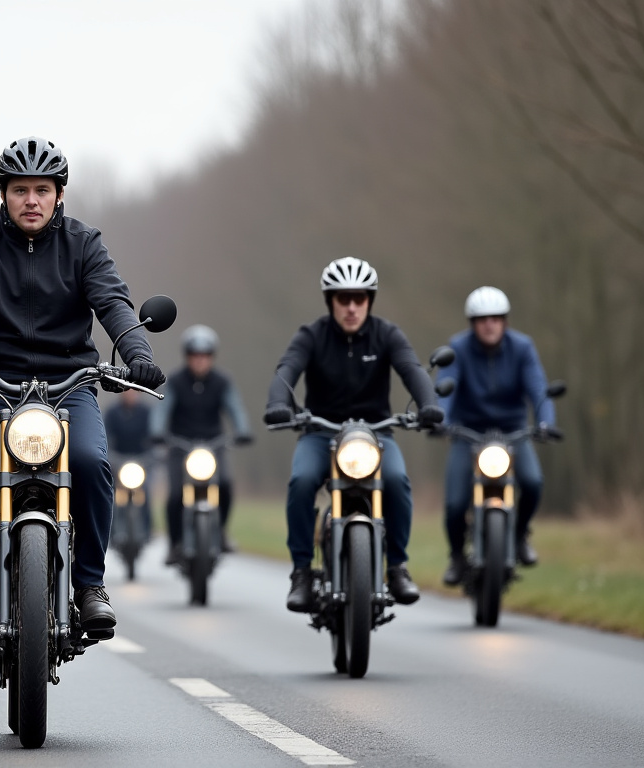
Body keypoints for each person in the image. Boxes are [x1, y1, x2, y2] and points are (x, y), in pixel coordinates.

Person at [0, 136, 166, 637]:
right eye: (20, 189)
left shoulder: (85, 244)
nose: (31, 200)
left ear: (59, 195)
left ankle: (90, 585)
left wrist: (140, 357)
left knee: (90, 461)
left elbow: (113, 303)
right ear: (3, 194)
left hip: (70, 385)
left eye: (42, 190)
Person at [263, 257, 443, 611]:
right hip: (320, 433)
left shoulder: (387, 334)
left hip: (376, 435)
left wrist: (429, 404)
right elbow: (288, 368)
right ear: (330, 301)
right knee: (301, 481)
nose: (351, 307)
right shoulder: (311, 335)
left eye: (358, 298)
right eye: (342, 298)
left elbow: (412, 369)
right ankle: (301, 571)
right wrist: (278, 402)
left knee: (397, 481)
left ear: (369, 300)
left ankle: (397, 566)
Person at [436, 286, 557, 584]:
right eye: (482, 319)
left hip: (513, 432)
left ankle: (518, 537)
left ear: (505, 321)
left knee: (532, 481)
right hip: (468, 432)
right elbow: (446, 385)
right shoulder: (458, 348)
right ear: (472, 323)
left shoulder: (523, 348)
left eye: (495, 318)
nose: (489, 324)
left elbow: (538, 389)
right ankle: (455, 556)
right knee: (454, 502)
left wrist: (545, 422)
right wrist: (441, 419)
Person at [150, 325, 253, 563]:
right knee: (175, 495)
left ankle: (222, 532)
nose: (200, 360)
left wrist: (242, 430)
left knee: (225, 486)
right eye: (195, 355)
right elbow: (163, 409)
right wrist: (157, 432)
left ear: (212, 357)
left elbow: (234, 407)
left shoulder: (222, 381)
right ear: (187, 356)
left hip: (214, 446)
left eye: (205, 355)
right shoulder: (175, 381)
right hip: (180, 447)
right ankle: (174, 543)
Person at [105, 387, 155, 540]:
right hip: (118, 463)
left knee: (145, 491)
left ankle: (147, 532)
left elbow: (154, 440)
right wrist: (112, 460)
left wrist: (152, 457)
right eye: (127, 391)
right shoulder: (112, 413)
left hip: (142, 462)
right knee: (111, 495)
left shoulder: (147, 413)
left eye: (133, 391)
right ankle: (110, 532)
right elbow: (105, 440)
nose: (130, 394)